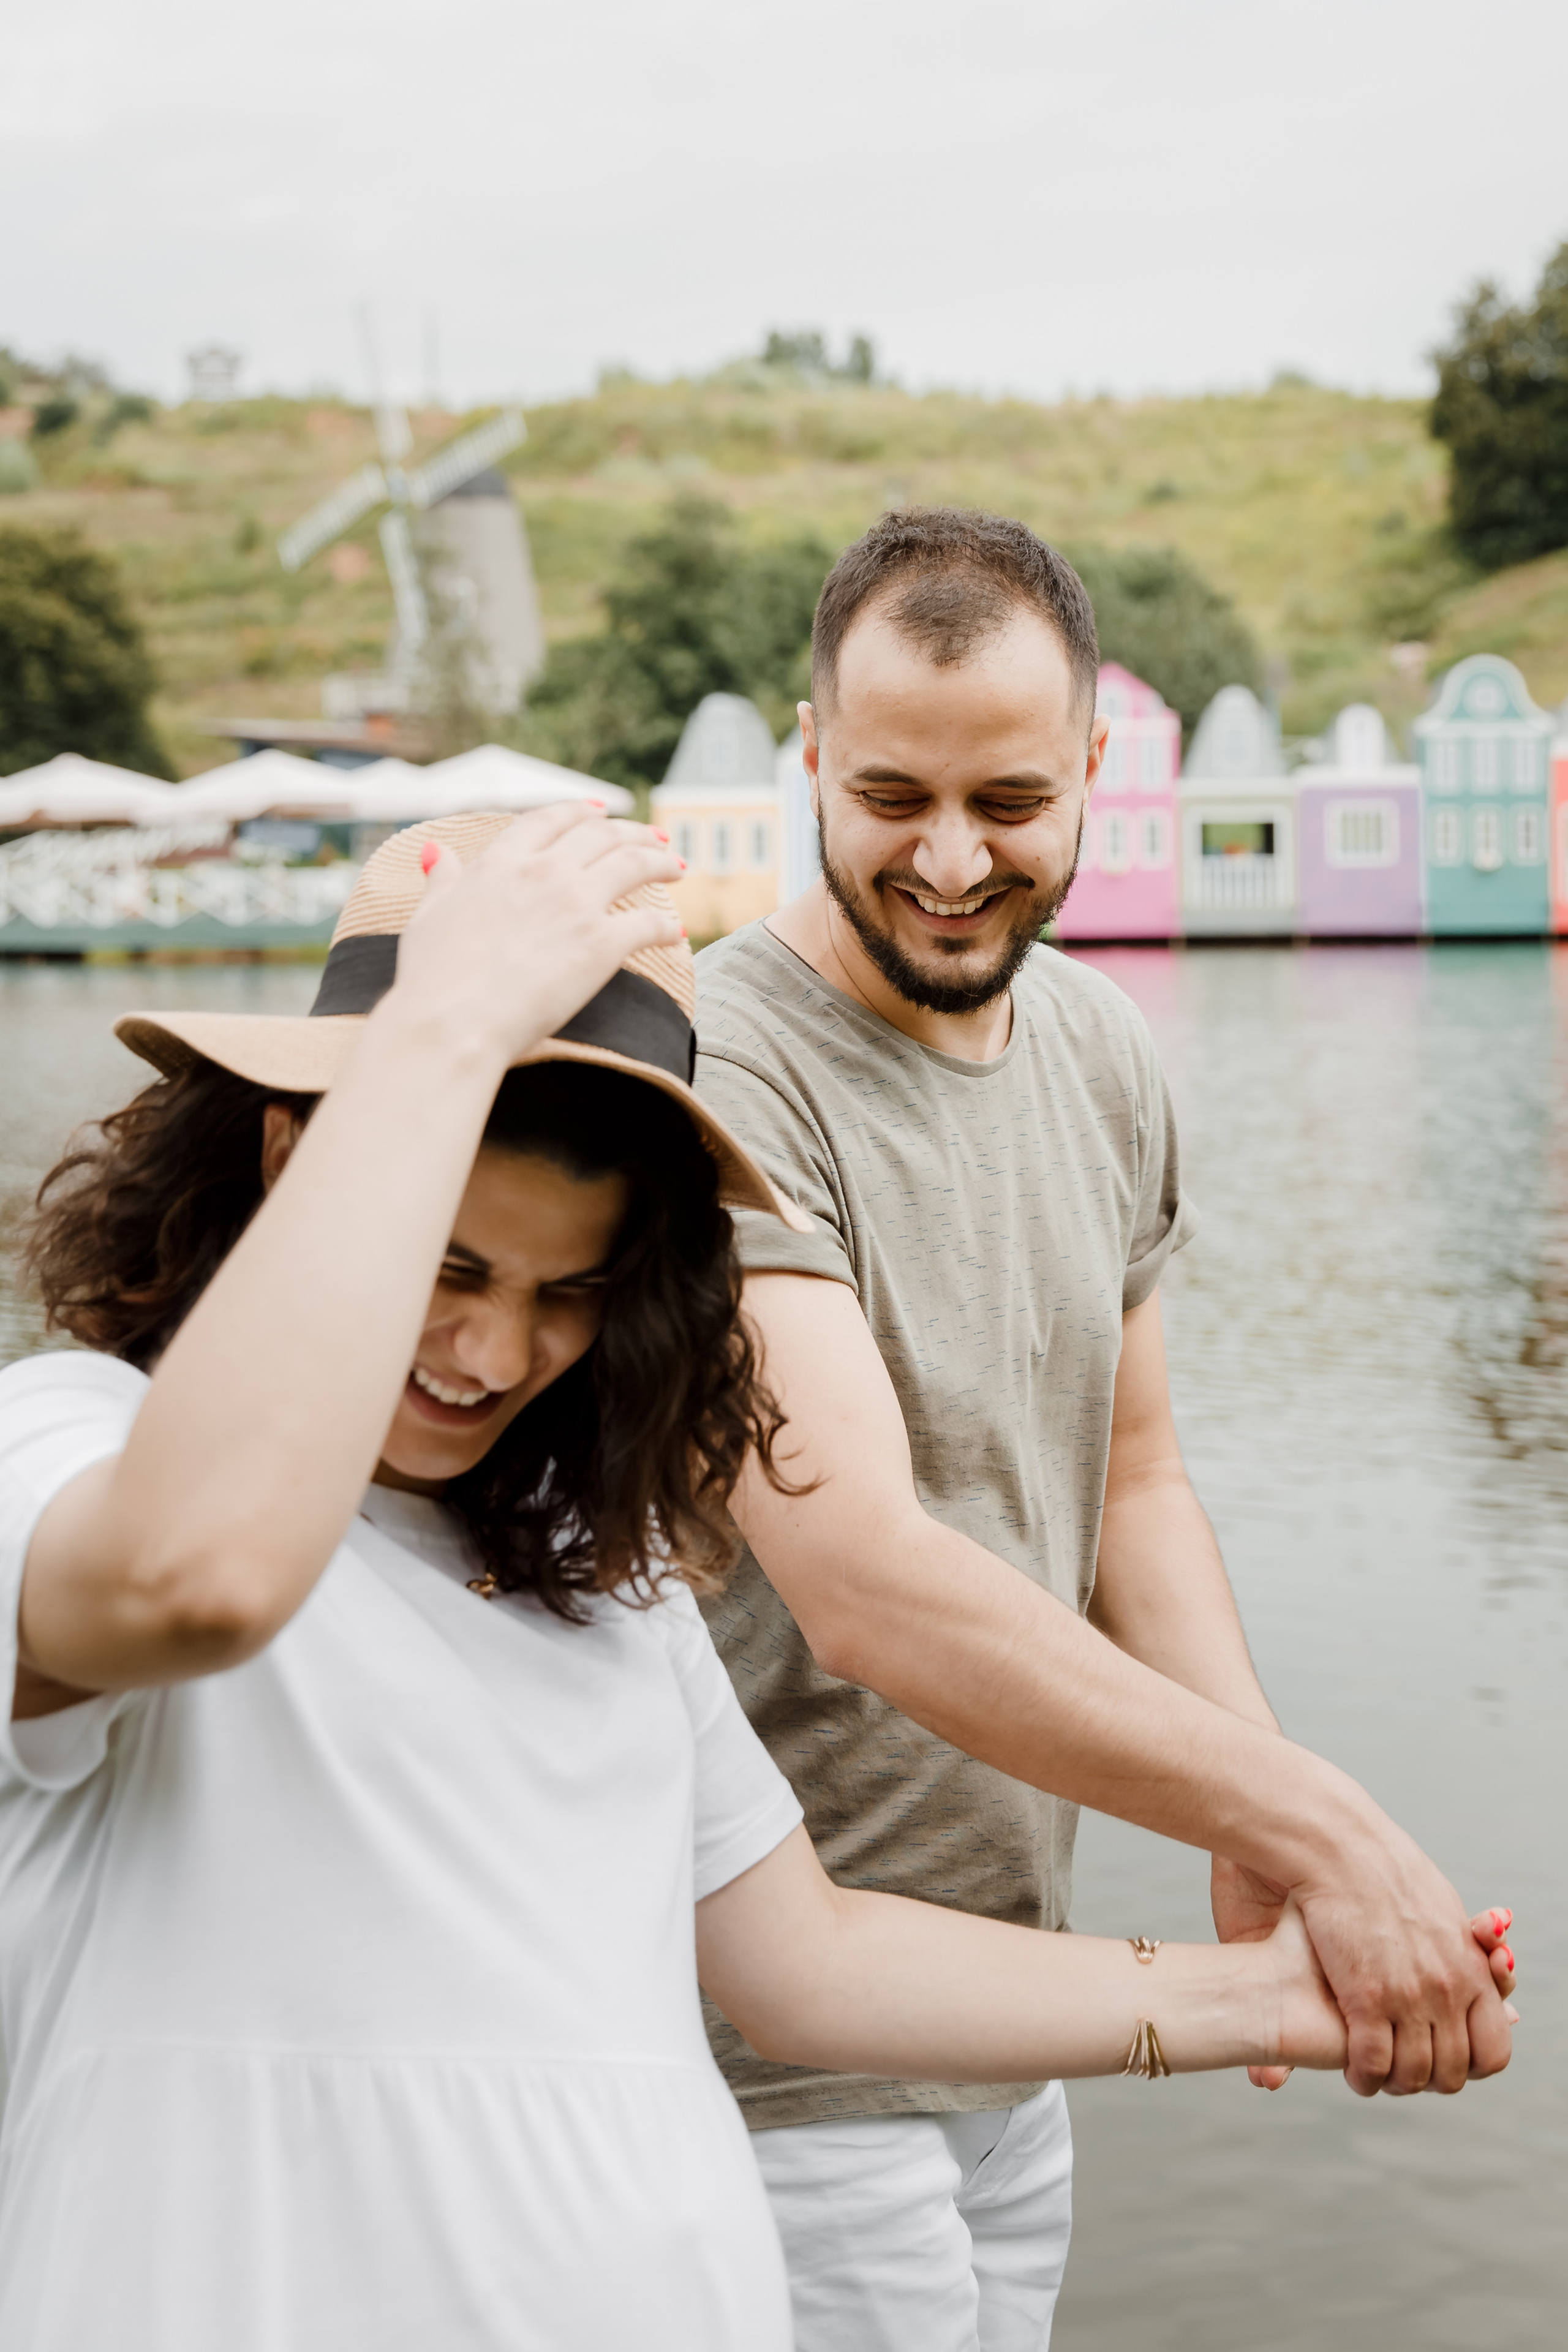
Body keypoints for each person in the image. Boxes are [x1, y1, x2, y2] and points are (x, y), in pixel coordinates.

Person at [5, 808, 1507, 2352]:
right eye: (446, 1270)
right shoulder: (74, 1451)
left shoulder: (602, 1578)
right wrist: (443, 1030)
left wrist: (1262, 2002)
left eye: (566, 1294)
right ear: (294, 1150)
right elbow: (200, 1580)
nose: (492, 1357)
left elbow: (815, 1967)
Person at [690, 509, 1519, 2351]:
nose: (953, 859)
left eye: (1012, 800)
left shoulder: (1100, 1050)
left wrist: (1258, 1809)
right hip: (773, 2065)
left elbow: (1137, 1481)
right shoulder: (719, 1073)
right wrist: (1331, 1829)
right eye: (892, 793)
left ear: (1092, 773)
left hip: (1019, 2009)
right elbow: (868, 1590)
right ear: (809, 758)